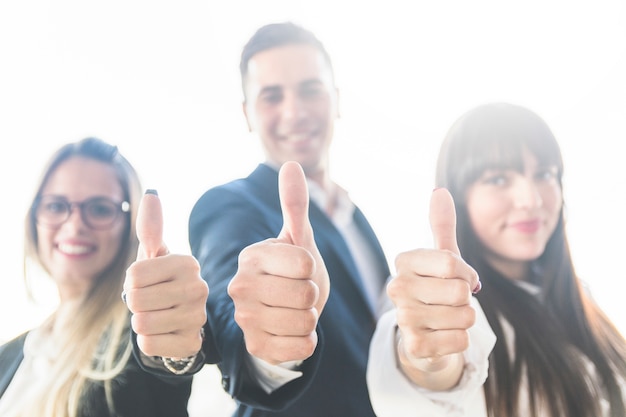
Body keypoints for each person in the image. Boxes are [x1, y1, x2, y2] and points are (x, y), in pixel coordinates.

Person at [367, 102, 626, 416]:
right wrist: (427, 355)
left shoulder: (579, 293)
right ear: (461, 195)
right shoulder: (444, 299)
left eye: (544, 174)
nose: (530, 200)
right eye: (498, 179)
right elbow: (433, 374)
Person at [186, 22, 391, 416]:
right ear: (248, 115)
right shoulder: (231, 208)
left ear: (336, 100)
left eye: (310, 90)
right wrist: (267, 349)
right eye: (272, 96)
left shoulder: (355, 219)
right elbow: (233, 308)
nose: (294, 112)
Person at [0, 137, 197, 417]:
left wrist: (176, 346)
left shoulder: (140, 335)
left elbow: (167, 368)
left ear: (128, 227)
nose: (75, 225)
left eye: (100, 208)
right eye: (56, 206)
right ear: (33, 219)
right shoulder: (8, 356)